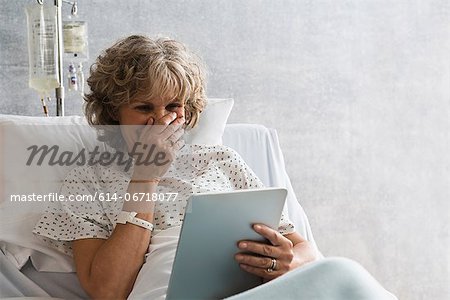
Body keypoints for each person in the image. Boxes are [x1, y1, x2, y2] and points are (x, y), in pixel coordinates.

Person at [32, 35, 396, 300]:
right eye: (144, 108)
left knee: (341, 272)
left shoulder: (220, 160)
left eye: (174, 106)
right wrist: (145, 177)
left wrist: (287, 261)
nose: (161, 121)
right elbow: (107, 291)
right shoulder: (87, 178)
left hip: (254, 290)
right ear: (114, 114)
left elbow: (307, 253)